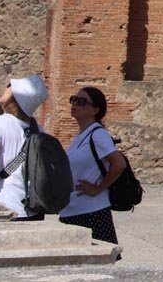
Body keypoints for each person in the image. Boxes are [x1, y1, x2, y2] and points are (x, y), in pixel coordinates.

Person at [58, 87, 126, 246]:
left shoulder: (98, 134)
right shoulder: (82, 135)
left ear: (95, 110)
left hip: (92, 212)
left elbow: (119, 163)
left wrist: (98, 188)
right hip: (73, 209)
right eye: (74, 99)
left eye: (81, 101)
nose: (75, 104)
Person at [0, 74, 50, 220]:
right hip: (33, 211)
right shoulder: (39, 130)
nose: (5, 88)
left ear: (15, 94)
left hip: (3, 207)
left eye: (9, 85)